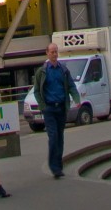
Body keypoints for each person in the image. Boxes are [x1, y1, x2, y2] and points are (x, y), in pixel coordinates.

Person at [32, 43, 80, 179]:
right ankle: (54, 167)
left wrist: (76, 99)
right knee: (53, 137)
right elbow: (36, 91)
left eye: (56, 52)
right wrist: (43, 106)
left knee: (60, 137)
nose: (54, 54)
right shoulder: (42, 72)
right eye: (52, 52)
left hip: (61, 108)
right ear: (47, 53)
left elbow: (71, 86)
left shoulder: (63, 70)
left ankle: (58, 165)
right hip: (49, 108)